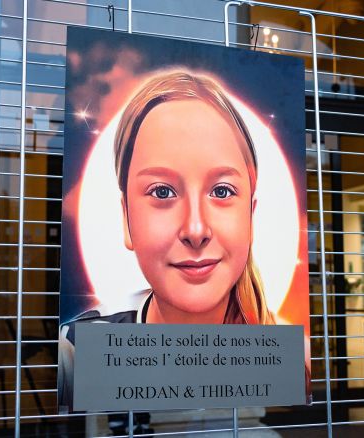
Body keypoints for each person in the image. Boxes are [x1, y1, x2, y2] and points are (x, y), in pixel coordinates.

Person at [58, 70, 276, 415]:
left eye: (222, 191)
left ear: (251, 215)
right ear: (126, 217)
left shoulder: (289, 357)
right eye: (162, 192)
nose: (195, 229)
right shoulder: (77, 352)